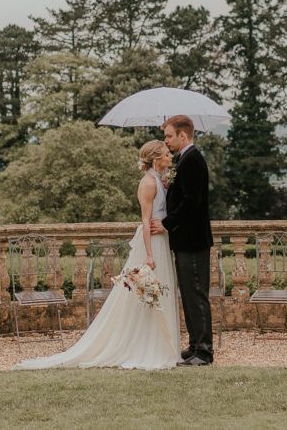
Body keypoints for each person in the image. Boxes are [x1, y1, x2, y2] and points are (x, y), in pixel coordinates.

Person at [13, 140, 180, 371]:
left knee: (160, 292)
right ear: (155, 158)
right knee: (146, 294)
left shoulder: (160, 181)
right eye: (167, 154)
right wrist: (149, 255)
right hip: (152, 243)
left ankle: (163, 344)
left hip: (162, 239)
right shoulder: (148, 183)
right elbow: (145, 220)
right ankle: (145, 346)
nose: (171, 156)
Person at [151, 114, 213, 366]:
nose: (166, 141)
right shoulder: (185, 160)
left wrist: (165, 223)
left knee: (196, 294)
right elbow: (183, 196)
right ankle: (194, 345)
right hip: (185, 240)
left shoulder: (193, 160)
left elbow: (191, 203)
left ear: (182, 135)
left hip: (193, 241)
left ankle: (204, 352)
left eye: (168, 136)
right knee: (188, 294)